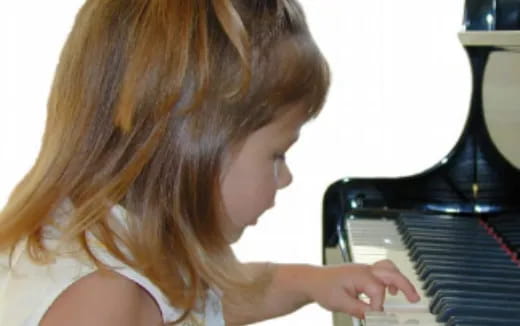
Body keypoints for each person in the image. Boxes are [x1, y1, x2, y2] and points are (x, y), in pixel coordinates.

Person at [0, 0, 420, 325]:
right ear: (193, 146)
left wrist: (312, 282)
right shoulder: (102, 298)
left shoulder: (131, 238)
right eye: (278, 154)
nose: (287, 177)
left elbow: (211, 301)